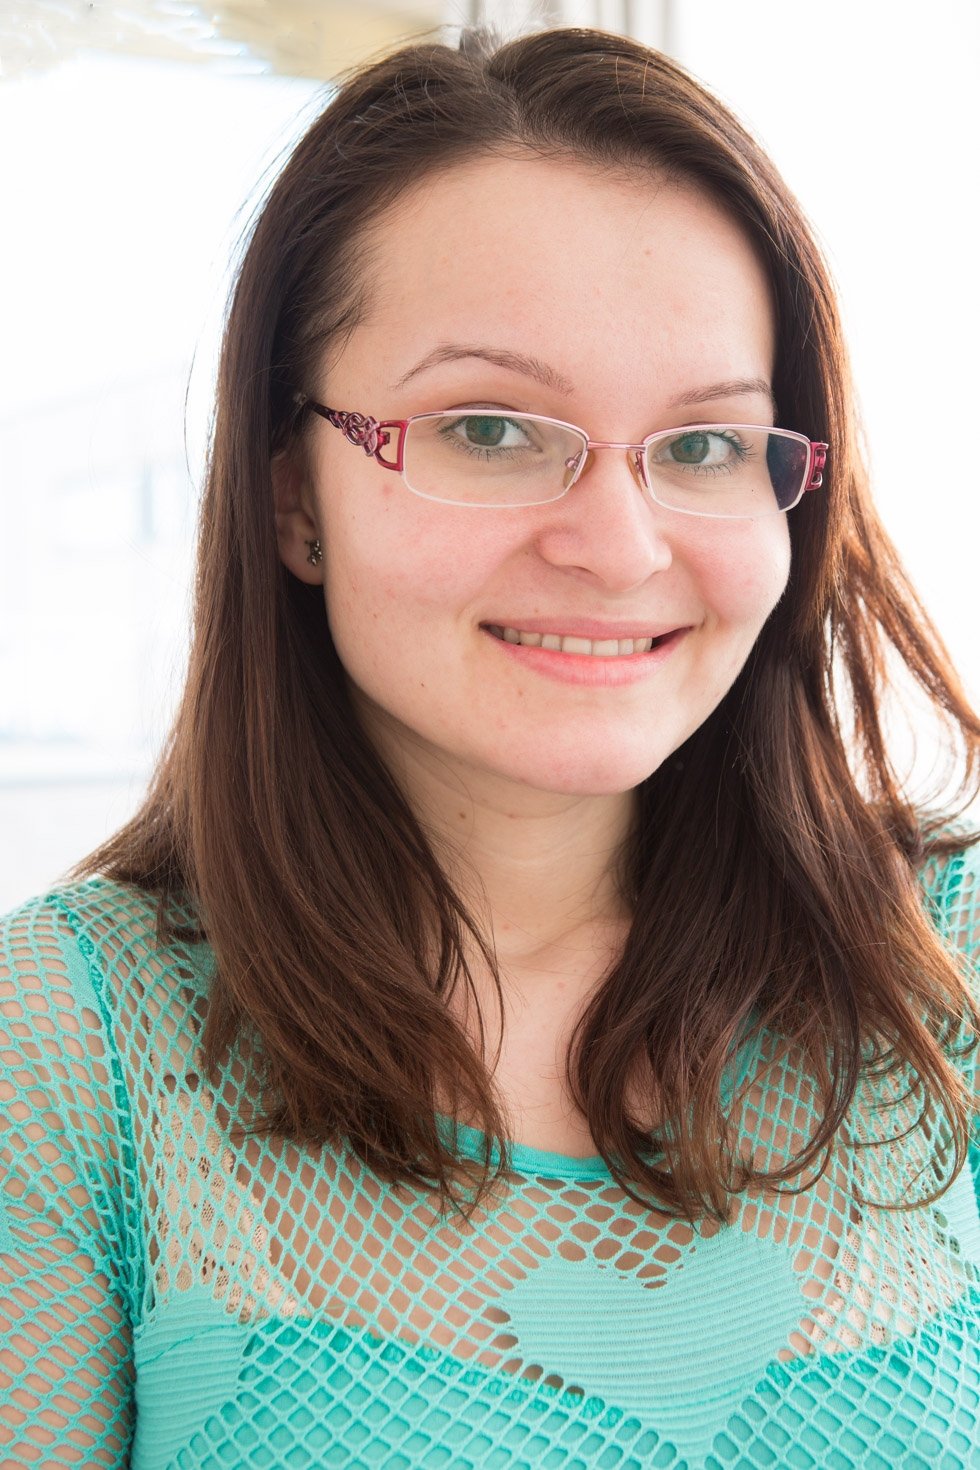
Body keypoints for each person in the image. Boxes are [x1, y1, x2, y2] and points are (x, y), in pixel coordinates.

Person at [1, 22, 978, 1468]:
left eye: (706, 444)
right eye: (490, 429)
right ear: (293, 496)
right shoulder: (64, 1041)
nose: (619, 547)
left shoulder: (947, 963)